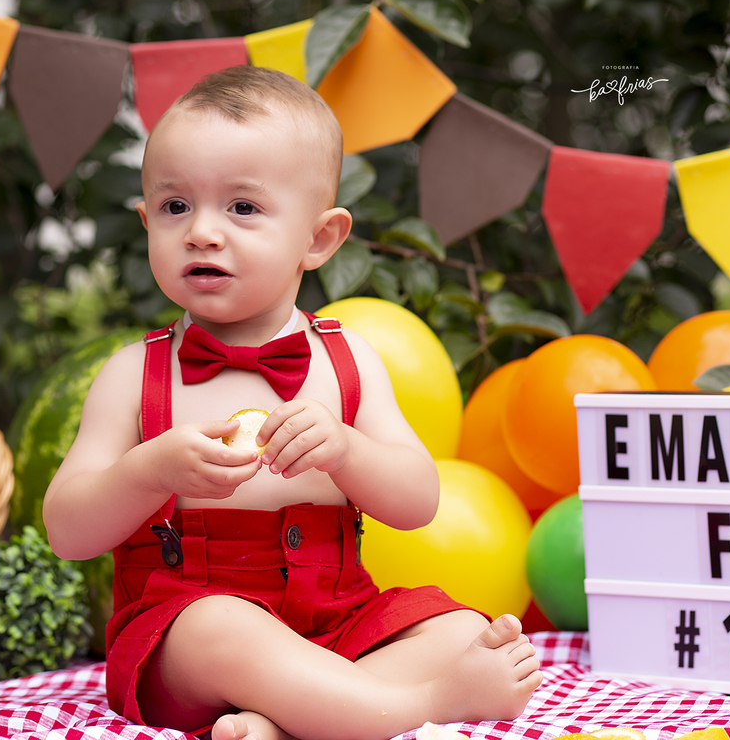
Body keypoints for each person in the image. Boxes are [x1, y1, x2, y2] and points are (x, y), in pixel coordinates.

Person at [43, 65, 542, 740]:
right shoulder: (135, 374)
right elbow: (66, 531)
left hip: (335, 619)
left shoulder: (347, 363)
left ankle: (288, 721)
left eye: (242, 208)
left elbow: (417, 500)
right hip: (186, 632)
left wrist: (347, 450)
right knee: (221, 628)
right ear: (146, 221)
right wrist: (150, 471)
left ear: (319, 238)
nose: (202, 232)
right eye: (175, 206)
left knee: (459, 626)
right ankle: (418, 704)